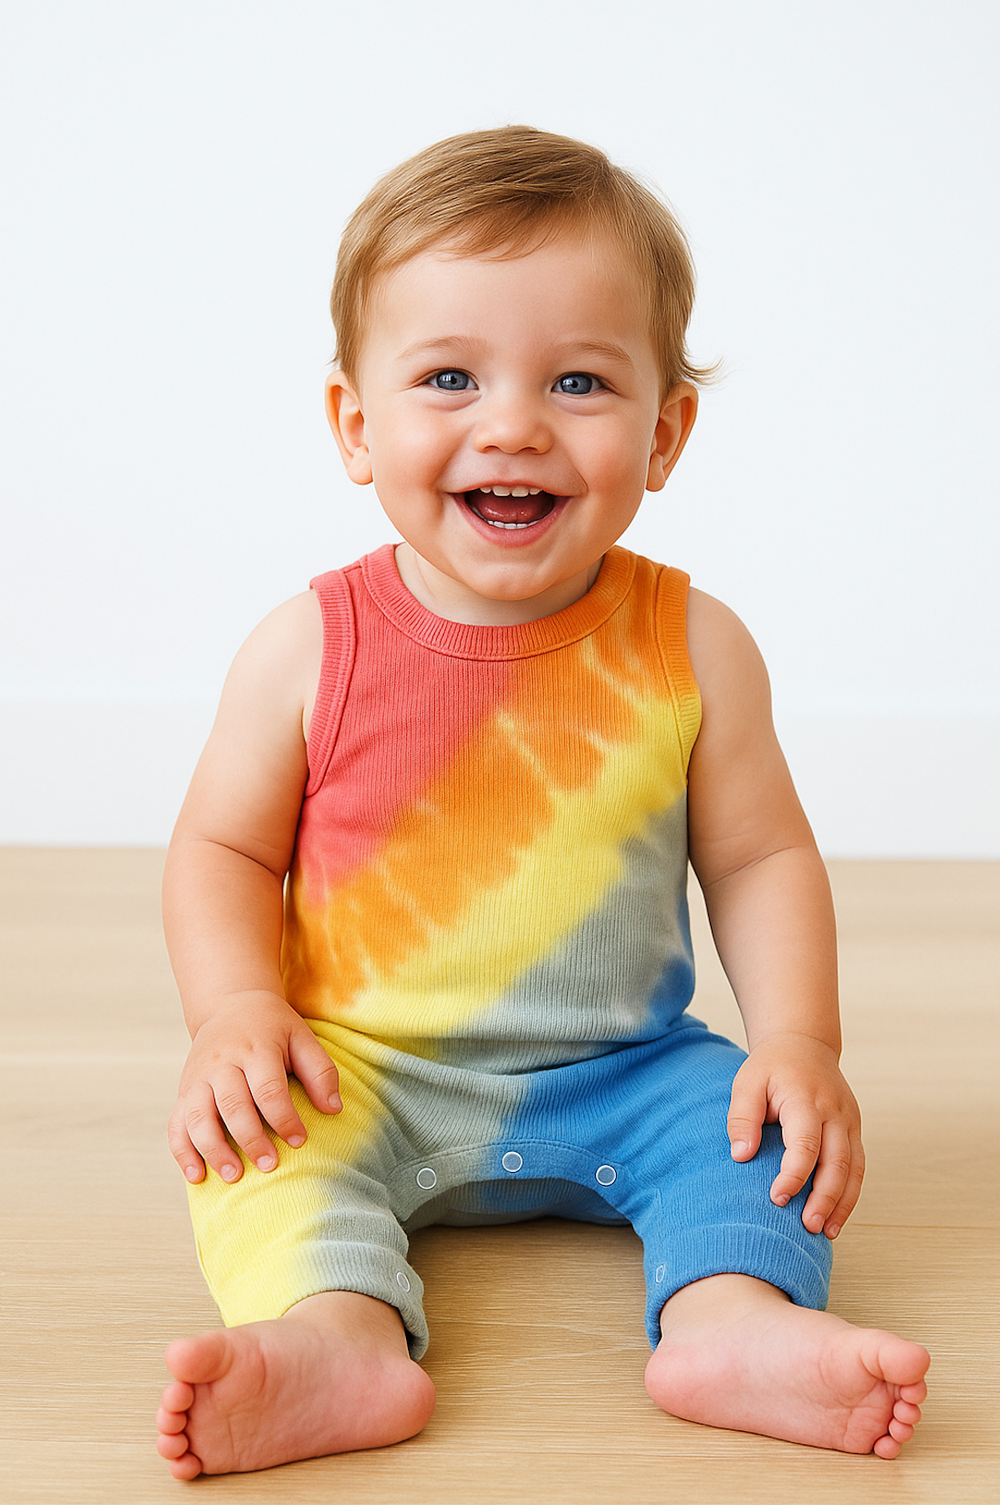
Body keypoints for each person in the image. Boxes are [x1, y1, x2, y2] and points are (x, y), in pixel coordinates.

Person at [155, 126, 930, 1480]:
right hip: (365, 1064)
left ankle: (731, 1320)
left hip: (630, 1066)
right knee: (255, 1152)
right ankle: (338, 1337)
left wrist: (800, 1041)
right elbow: (221, 848)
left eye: (579, 381)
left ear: (665, 430)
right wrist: (235, 1012)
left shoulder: (696, 646)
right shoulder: (307, 647)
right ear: (355, 424)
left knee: (752, 1132)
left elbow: (761, 860)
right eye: (448, 376)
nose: (510, 423)